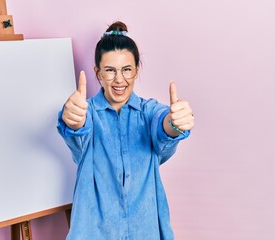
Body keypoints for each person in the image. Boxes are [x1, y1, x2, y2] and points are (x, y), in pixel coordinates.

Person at [57, 21, 194, 240]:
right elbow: (78, 132)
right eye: (110, 71)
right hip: (94, 232)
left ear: (136, 70)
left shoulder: (148, 111)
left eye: (127, 70)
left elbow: (163, 125)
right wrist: (73, 120)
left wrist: (175, 122)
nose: (119, 80)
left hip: (145, 231)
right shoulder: (87, 113)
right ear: (98, 73)